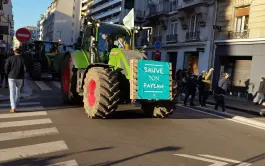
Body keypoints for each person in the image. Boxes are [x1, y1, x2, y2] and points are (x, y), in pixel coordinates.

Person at [5, 48, 25, 113]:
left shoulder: (10, 58)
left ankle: (13, 108)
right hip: (20, 77)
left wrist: (8, 73)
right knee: (18, 91)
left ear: (14, 52)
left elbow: (6, 67)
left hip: (11, 77)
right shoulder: (23, 59)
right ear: (21, 52)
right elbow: (25, 68)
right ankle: (16, 105)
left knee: (12, 92)